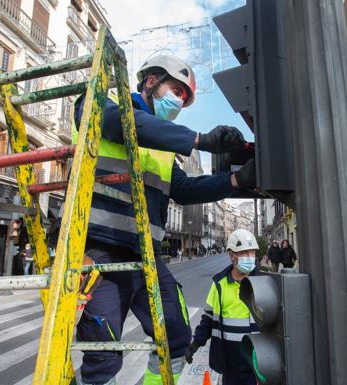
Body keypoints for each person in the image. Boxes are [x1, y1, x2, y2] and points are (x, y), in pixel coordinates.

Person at [72, 55, 257, 385]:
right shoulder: (106, 100)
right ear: (150, 81)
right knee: (101, 355)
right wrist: (198, 140)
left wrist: (235, 182)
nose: (179, 101)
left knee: (176, 337)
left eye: (185, 99)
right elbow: (124, 123)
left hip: (148, 259)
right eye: (176, 90)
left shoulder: (161, 146)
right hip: (101, 252)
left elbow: (183, 188)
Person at [185, 229, 260, 385]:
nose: (249, 257)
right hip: (230, 362)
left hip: (258, 361)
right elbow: (208, 318)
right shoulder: (219, 285)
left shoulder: (263, 281)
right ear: (231, 255)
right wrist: (195, 344)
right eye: (244, 253)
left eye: (252, 253)